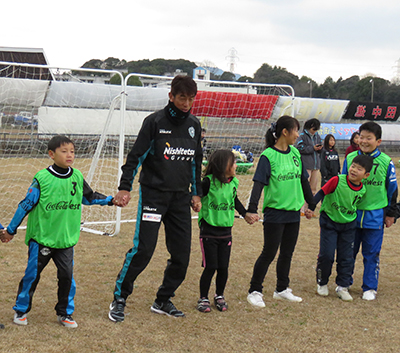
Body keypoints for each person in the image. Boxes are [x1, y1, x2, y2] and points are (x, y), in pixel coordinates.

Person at [108, 75, 203, 322]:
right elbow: (135, 156)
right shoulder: (154, 122)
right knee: (144, 250)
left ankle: (163, 299)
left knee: (182, 255)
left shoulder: (194, 124)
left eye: (191, 98)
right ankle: (120, 298)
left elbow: (196, 160)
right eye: (182, 97)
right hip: (154, 197)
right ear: (171, 96)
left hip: (180, 200)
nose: (186, 103)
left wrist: (196, 193)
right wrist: (124, 187)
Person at [0, 135, 114, 328]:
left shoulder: (77, 176)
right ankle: (21, 310)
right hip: (42, 239)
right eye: (64, 151)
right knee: (32, 276)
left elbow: (88, 197)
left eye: (72, 151)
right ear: (52, 154)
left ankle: (65, 313)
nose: (69, 155)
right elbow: (25, 205)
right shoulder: (41, 178)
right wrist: (11, 230)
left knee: (67, 277)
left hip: (66, 240)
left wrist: (110, 200)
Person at [246, 116, 315, 307]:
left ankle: (282, 289)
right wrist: (252, 209)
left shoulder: (295, 153)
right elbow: (259, 183)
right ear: (285, 132)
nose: (298, 135)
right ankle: (254, 290)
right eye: (296, 130)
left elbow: (303, 180)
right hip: (275, 212)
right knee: (269, 252)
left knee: (287, 253)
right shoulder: (268, 155)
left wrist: (311, 204)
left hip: (294, 212)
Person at [342, 122, 398, 301]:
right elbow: (341, 184)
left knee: (372, 253)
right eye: (361, 137)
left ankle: (369, 287)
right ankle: (344, 283)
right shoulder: (350, 158)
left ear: (378, 141)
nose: (364, 141)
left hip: (375, 216)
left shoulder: (385, 162)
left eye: (369, 138)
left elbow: (392, 189)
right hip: (350, 214)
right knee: (348, 251)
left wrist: (390, 213)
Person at [196, 150, 256, 313]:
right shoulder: (207, 182)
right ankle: (203, 298)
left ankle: (219, 295)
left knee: (223, 267)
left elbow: (234, 200)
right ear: (224, 165)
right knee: (211, 266)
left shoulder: (233, 182)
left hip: (226, 231)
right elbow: (195, 196)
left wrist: (245, 214)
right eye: (234, 162)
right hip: (209, 231)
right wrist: (195, 203)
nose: (236, 165)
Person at [307, 155, 372, 301]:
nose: (354, 170)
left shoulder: (362, 190)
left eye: (359, 169)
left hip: (349, 226)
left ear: (366, 175)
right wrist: (311, 207)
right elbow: (321, 193)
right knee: (327, 255)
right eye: (353, 166)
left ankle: (342, 286)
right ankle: (322, 282)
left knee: (346, 257)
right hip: (329, 222)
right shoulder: (337, 180)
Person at [295, 118, 322, 214]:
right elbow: (299, 148)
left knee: (313, 189)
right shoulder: (302, 136)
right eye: (313, 129)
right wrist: (312, 148)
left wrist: (319, 148)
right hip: (306, 164)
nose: (314, 132)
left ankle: (309, 209)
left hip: (316, 165)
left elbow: (319, 146)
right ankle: (301, 209)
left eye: (316, 130)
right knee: (304, 188)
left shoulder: (317, 136)